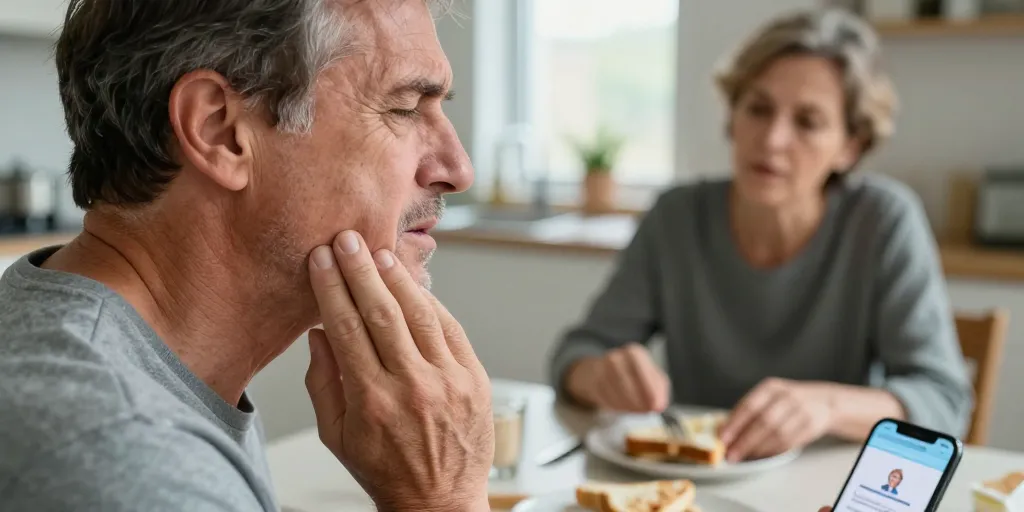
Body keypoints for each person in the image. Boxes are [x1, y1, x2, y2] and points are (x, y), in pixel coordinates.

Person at [0, 0, 496, 510]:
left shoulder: (88, 340)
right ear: (219, 130)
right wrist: (441, 496)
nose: (457, 169)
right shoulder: (129, 458)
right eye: (405, 107)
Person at [549, 8, 972, 463]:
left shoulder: (883, 220)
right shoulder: (676, 217)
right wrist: (599, 375)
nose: (771, 139)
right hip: (691, 483)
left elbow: (944, 401)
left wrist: (828, 406)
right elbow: (574, 354)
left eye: (807, 122)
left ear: (851, 146)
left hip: (824, 484)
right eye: (758, 108)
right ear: (733, 116)